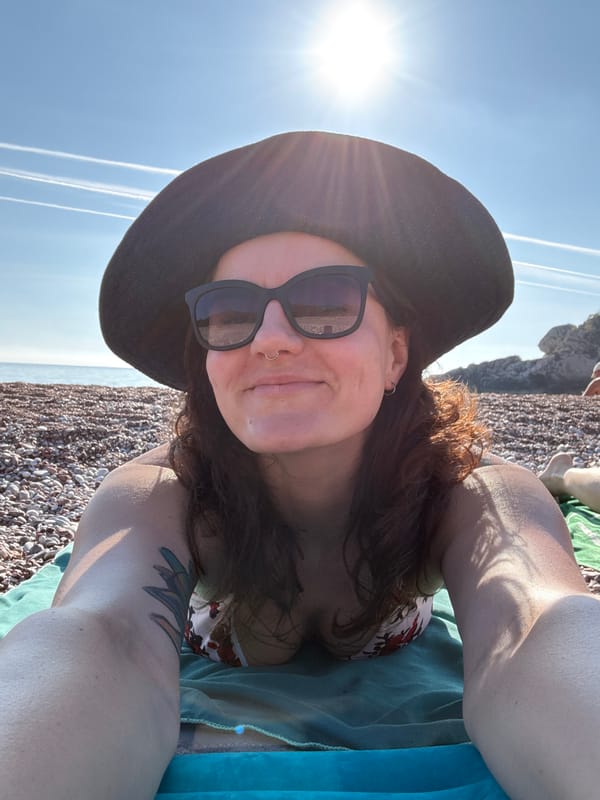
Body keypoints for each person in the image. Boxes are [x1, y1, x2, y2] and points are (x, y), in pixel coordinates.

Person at [1, 131, 599, 800]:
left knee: (553, 488)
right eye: (230, 313)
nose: (272, 339)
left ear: (397, 354)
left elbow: (537, 626)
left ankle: (567, 477)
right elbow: (100, 638)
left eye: (325, 302)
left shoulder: (464, 487)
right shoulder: (165, 491)